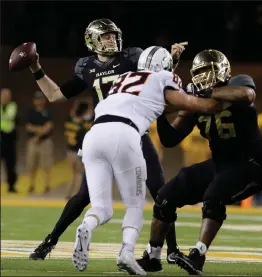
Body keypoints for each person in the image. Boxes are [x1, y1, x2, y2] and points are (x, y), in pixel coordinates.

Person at [27, 18, 185, 261]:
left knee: (160, 191)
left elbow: (157, 78)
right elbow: (55, 95)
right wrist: (36, 68)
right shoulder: (86, 67)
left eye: (113, 35)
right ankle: (49, 241)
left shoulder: (130, 58)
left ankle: (172, 250)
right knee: (83, 196)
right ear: (92, 40)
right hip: (107, 133)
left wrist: (172, 61)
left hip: (134, 132)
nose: (111, 39)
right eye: (106, 36)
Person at [72, 46, 225, 274]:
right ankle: (126, 252)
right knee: (135, 204)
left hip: (93, 135)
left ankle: (86, 226)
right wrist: (215, 102)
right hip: (124, 133)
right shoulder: (164, 77)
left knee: (101, 207)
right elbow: (188, 103)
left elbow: (149, 99)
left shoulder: (123, 78)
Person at [136, 49, 262, 275]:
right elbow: (170, 139)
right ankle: (153, 255)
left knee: (214, 196)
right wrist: (160, 112)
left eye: (208, 72)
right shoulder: (197, 100)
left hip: (250, 164)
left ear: (222, 70)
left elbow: (247, 95)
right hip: (220, 164)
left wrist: (207, 92)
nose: (203, 78)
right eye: (199, 74)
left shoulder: (237, 82)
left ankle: (198, 254)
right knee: (167, 195)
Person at [25, 91, 54, 194]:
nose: (39, 101)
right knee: (31, 165)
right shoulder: (30, 112)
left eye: (41, 99)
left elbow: (48, 127)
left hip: (45, 142)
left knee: (46, 165)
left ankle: (47, 185)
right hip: (32, 142)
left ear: (44, 101)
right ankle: (31, 185)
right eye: (37, 99)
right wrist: (40, 130)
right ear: (34, 101)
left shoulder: (48, 112)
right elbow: (28, 127)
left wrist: (37, 133)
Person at [64, 101, 90, 199]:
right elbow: (82, 143)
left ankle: (67, 194)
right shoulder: (82, 127)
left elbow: (73, 112)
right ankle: (76, 195)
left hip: (69, 151)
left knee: (72, 173)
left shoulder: (69, 122)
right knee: (78, 174)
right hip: (77, 152)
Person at [0, 88, 18, 193]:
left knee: (10, 164)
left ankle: (11, 186)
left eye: (6, 96)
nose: (4, 98)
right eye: (3, 96)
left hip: (9, 139)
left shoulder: (13, 106)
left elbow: (10, 117)